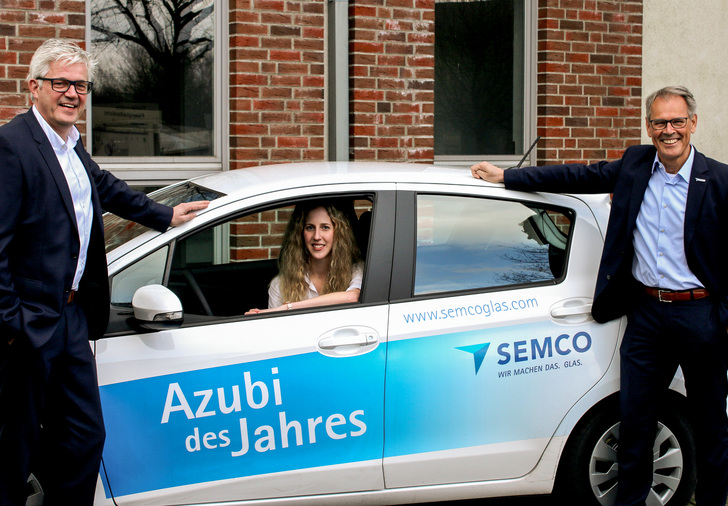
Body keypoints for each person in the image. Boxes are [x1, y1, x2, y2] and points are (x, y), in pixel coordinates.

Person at [471, 85, 728, 506]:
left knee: (711, 427)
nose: (669, 131)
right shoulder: (635, 164)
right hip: (647, 317)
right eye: (660, 122)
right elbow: (577, 175)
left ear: (693, 124)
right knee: (635, 426)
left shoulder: (719, 180)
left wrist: (722, 316)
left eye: (677, 121)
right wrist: (509, 176)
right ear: (648, 127)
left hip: (700, 315)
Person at [0, 39, 208, 505]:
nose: (72, 94)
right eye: (61, 83)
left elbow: (108, 189)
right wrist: (11, 325)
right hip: (30, 324)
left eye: (80, 85)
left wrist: (165, 215)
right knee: (13, 450)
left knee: (83, 438)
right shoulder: (12, 146)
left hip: (72, 319)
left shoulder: (71, 147)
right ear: (34, 86)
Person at [246, 200, 363, 314]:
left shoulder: (356, 270)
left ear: (338, 233)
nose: (317, 236)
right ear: (301, 233)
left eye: (325, 227)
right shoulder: (280, 284)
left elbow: (352, 297)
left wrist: (287, 307)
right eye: (310, 227)